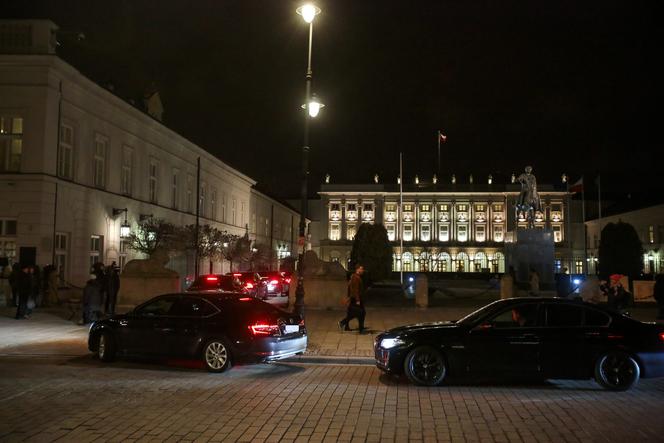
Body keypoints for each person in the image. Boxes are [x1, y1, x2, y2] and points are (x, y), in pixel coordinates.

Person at [338, 264, 367, 333]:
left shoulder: (356, 277)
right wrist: (357, 300)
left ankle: (347, 326)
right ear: (357, 269)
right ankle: (343, 322)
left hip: (354, 298)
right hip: (355, 298)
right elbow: (355, 290)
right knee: (360, 313)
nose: (363, 270)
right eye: (361, 269)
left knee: (354, 313)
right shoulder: (355, 278)